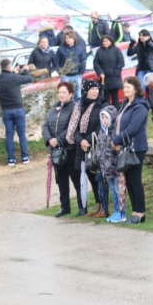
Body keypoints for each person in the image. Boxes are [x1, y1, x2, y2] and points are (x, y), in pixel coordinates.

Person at [66, 78, 108, 218]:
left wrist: (88, 140)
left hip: (97, 145)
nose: (95, 91)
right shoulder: (79, 105)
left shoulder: (103, 104)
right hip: (82, 148)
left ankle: (105, 207)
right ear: (86, 90)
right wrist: (80, 141)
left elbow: (102, 126)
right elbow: (75, 127)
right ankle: (98, 206)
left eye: (97, 89)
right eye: (92, 89)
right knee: (90, 176)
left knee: (99, 177)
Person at [111, 76, 150, 224]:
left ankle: (140, 213)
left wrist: (115, 140)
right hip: (125, 147)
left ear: (136, 88)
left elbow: (132, 128)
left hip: (136, 148)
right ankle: (134, 212)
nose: (125, 89)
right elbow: (119, 124)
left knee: (135, 180)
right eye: (124, 87)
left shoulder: (140, 106)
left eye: (128, 87)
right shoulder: (126, 103)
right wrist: (116, 142)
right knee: (128, 180)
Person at [42, 82, 82, 217]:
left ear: (71, 94)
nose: (61, 94)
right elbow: (45, 126)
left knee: (76, 179)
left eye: (64, 92)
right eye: (59, 92)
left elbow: (72, 127)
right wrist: (49, 140)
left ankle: (82, 206)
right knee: (61, 180)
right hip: (56, 152)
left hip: (70, 150)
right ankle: (65, 207)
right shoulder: (54, 108)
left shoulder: (74, 108)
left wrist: (58, 140)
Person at [0, 59, 32, 166]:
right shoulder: (15, 77)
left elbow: (7, 79)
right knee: (21, 134)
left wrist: (14, 72)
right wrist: (26, 70)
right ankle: (25, 157)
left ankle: (11, 159)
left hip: (6, 109)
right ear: (10, 67)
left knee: (9, 135)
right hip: (18, 108)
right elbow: (28, 78)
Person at [97, 105, 125, 222]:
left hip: (116, 166)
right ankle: (116, 211)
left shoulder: (116, 130)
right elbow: (98, 147)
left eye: (106, 117)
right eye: (102, 117)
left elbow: (118, 147)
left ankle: (122, 213)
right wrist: (100, 159)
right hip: (106, 167)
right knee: (113, 190)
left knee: (119, 190)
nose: (104, 120)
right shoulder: (102, 131)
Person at [93, 35, 125, 109]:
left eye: (106, 41)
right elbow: (96, 63)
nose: (105, 43)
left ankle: (116, 110)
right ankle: (106, 110)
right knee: (105, 95)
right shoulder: (99, 51)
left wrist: (116, 71)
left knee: (114, 95)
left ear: (110, 41)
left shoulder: (116, 50)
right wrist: (100, 72)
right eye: (103, 41)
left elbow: (121, 62)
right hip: (104, 78)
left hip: (114, 77)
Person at [56, 31, 87, 101]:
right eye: (66, 38)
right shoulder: (61, 49)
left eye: (69, 38)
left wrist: (81, 72)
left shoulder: (79, 49)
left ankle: (77, 109)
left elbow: (83, 61)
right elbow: (57, 61)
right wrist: (60, 72)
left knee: (77, 94)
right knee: (65, 94)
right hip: (65, 75)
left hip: (77, 75)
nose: (67, 39)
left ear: (74, 39)